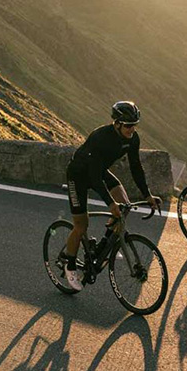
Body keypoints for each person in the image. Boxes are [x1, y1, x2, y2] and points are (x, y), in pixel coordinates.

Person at [63, 101, 160, 291]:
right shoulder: (100, 137)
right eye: (128, 125)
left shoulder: (133, 139)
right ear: (116, 123)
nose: (132, 129)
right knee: (81, 225)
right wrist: (109, 203)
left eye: (135, 125)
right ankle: (70, 265)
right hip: (79, 175)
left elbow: (136, 167)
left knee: (125, 206)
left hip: (99, 171)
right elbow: (94, 176)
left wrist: (147, 194)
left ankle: (104, 246)